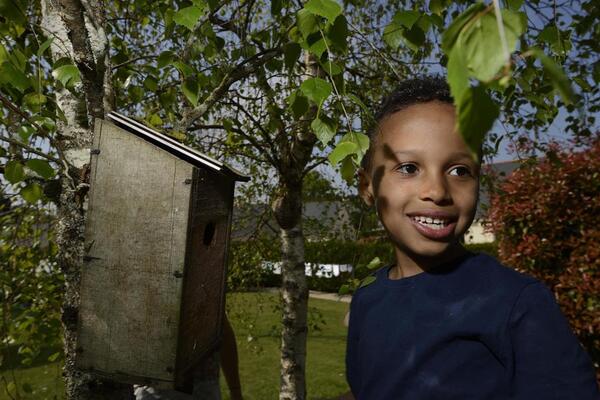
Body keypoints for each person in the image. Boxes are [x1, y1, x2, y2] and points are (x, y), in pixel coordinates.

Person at [344, 76, 600, 399]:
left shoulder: (517, 305)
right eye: (409, 168)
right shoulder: (367, 300)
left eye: (459, 171)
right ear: (367, 187)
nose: (437, 191)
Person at [135, 313, 243, 400]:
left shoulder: (206, 291)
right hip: (156, 387)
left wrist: (235, 391)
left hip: (199, 387)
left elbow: (223, 332)